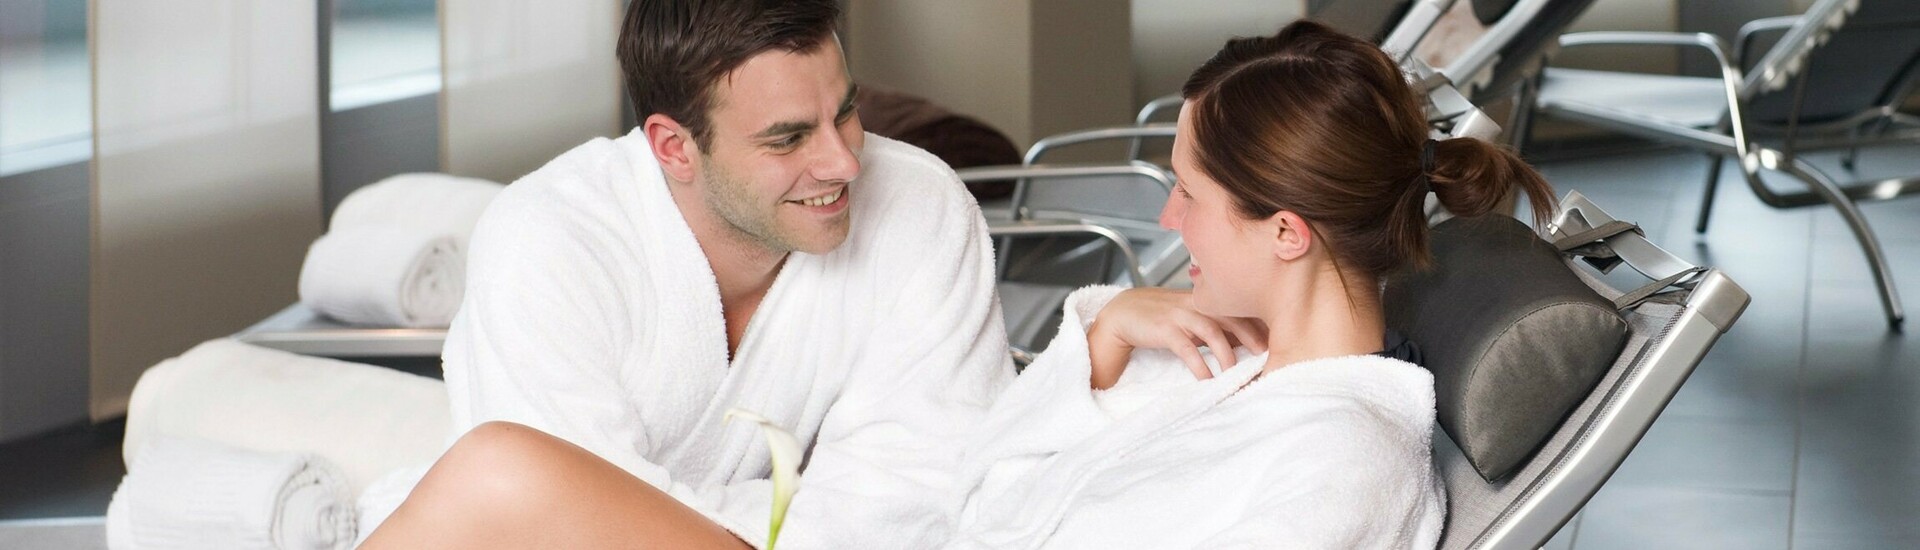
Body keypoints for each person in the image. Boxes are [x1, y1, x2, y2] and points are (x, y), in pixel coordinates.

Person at [359, 0, 1013, 548]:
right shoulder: (547, 242)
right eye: (788, 139)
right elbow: (555, 523)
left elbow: (922, 495)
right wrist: (788, 506)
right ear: (674, 148)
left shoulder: (920, 206)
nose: (842, 163)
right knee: (499, 469)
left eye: (845, 112)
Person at [946, 20, 1555, 548]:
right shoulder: (1231, 359)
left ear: (1287, 233)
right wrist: (1110, 331)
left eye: (1188, 193)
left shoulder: (1344, 468)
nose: (1168, 220)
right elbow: (987, 490)